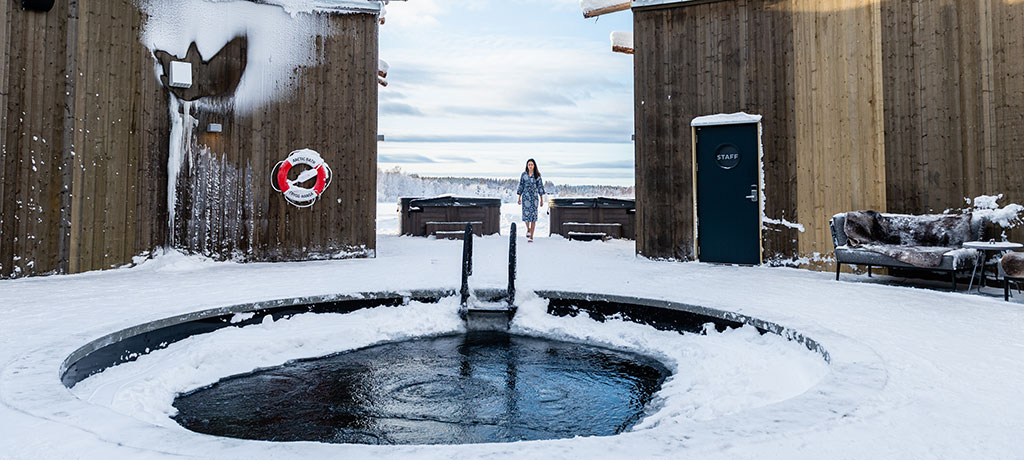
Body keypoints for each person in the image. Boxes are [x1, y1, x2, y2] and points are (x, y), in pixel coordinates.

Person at [516, 158, 546, 242]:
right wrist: (519, 197)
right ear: (527, 165)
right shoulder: (523, 175)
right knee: (526, 216)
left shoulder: (537, 175)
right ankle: (528, 229)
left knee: (533, 217)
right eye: (529, 164)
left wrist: (541, 200)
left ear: (534, 165)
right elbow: (521, 185)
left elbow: (540, 187)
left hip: (534, 198)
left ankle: (531, 236)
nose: (530, 166)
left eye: (531, 164)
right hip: (525, 197)